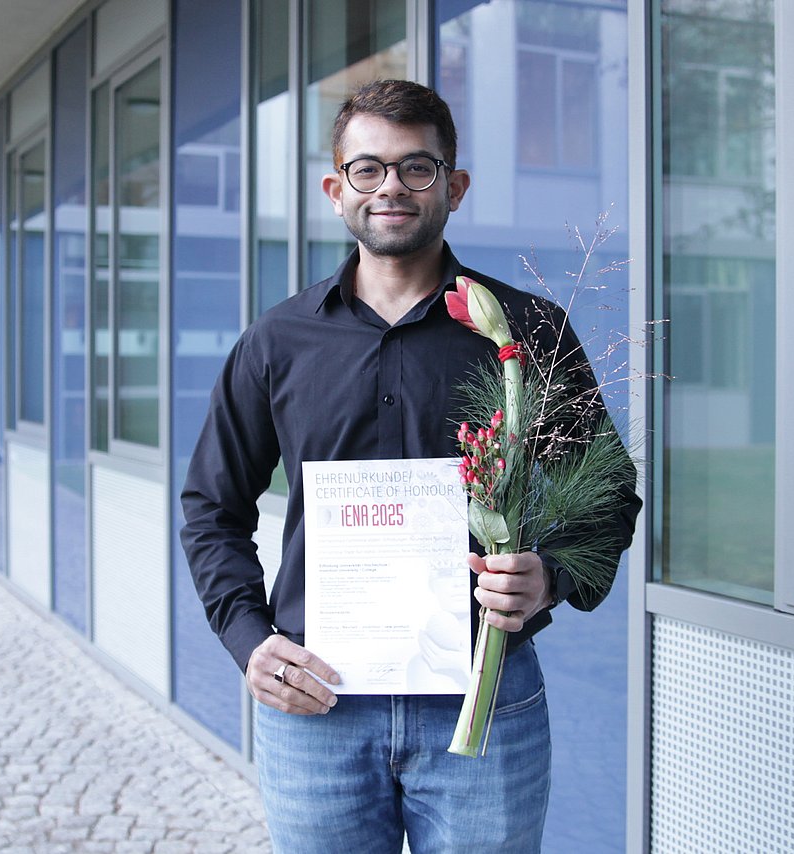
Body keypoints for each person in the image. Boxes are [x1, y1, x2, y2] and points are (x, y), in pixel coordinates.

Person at [180, 79, 641, 854]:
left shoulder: (529, 329)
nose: (390, 186)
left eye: (416, 168)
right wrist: (249, 638)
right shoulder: (278, 341)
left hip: (485, 701)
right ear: (336, 189)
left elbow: (608, 498)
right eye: (368, 169)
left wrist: (552, 575)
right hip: (316, 706)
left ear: (453, 187)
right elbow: (211, 507)